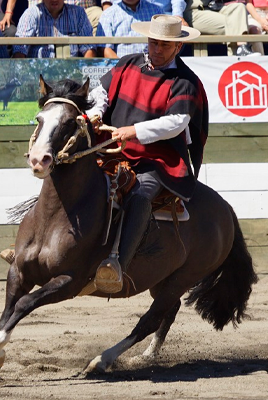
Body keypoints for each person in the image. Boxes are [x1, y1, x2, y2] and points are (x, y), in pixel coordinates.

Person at [85, 14, 208, 293]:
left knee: (140, 195)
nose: (157, 49)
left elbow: (177, 122)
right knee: (72, 172)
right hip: (113, 149)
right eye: (154, 42)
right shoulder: (128, 63)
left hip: (159, 159)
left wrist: (133, 131)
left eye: (165, 45)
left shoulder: (185, 80)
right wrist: (95, 113)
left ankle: (117, 263)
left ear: (178, 47)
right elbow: (101, 91)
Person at [13, 0, 98, 57]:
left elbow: (89, 49)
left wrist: (84, 76)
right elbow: (19, 50)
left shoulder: (79, 13)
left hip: (72, 76)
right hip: (39, 76)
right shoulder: (30, 14)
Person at [184, 0, 260, 56]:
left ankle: (241, 48)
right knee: (235, 24)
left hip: (214, 8)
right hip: (195, 11)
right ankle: (236, 54)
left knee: (239, 7)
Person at [96, 0, 164, 57]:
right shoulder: (108, 15)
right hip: (122, 68)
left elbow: (165, 43)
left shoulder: (156, 11)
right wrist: (122, 68)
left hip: (153, 67)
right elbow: (105, 49)